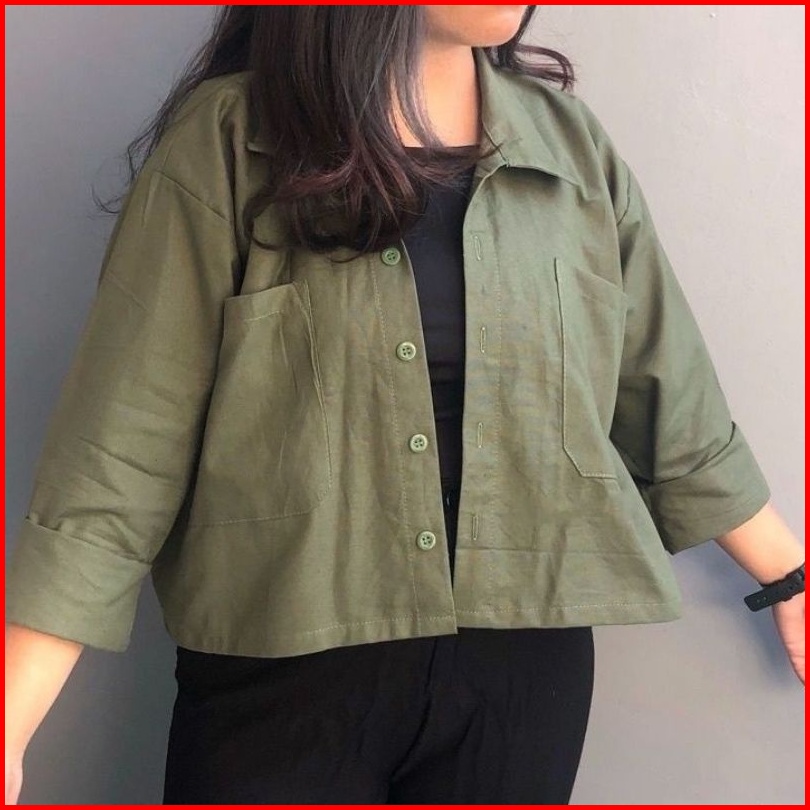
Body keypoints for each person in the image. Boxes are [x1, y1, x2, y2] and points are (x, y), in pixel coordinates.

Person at [5, 6, 804, 805]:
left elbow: (666, 394)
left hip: (522, 672)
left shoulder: (570, 148)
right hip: (286, 659)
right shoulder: (231, 141)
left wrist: (790, 577)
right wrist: (13, 715)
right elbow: (123, 446)